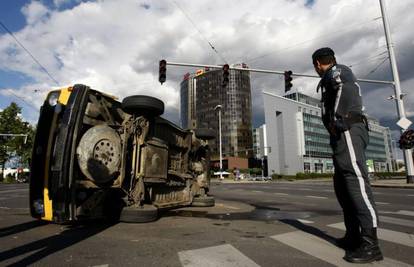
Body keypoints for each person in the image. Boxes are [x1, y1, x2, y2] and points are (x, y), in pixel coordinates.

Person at [312, 47, 383, 263]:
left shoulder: (338, 71)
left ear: (317, 64)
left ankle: (371, 244)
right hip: (342, 133)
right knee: (343, 185)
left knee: (355, 182)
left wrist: (337, 119)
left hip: (348, 129)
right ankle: (353, 235)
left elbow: (346, 87)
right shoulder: (331, 75)